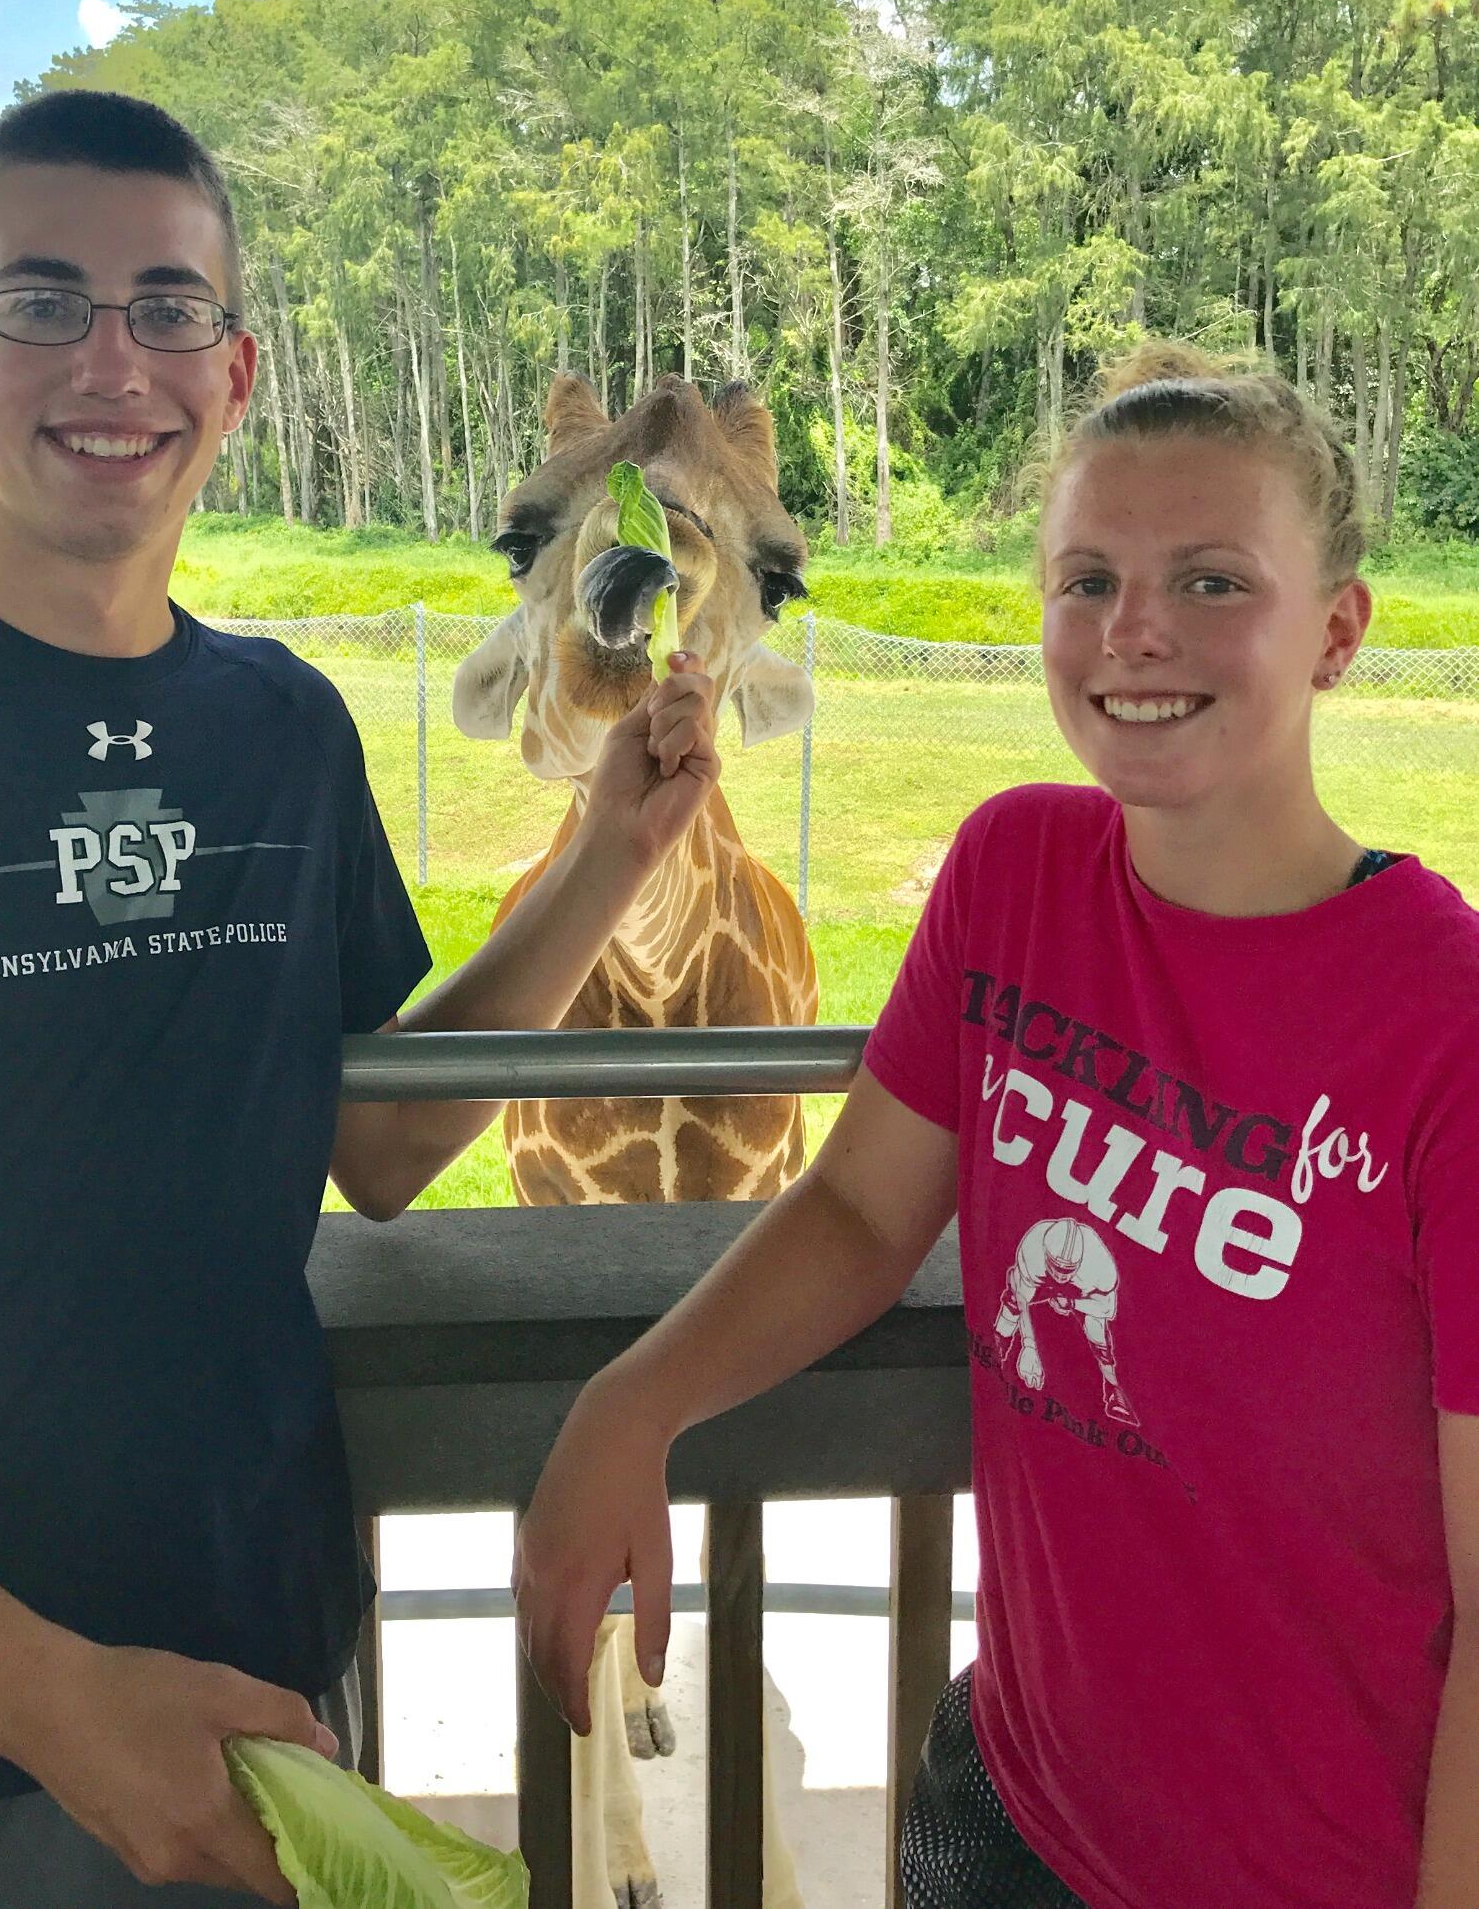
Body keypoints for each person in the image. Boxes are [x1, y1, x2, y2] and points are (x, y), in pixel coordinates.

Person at [0, 88, 723, 1909]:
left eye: (169, 310)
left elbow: (383, 1140)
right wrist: (50, 1702)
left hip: (254, 1707)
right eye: (43, 303)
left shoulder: (279, 728)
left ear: (240, 371)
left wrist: (608, 857)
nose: (111, 361)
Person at [516, 343, 1479, 1909]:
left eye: (1214, 581)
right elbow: (857, 1213)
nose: (1134, 632)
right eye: (1085, 578)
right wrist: (629, 1409)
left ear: (1341, 633)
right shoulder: (1015, 878)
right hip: (1007, 1814)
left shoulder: (1444, 1029)